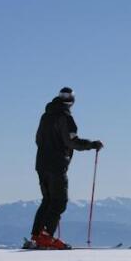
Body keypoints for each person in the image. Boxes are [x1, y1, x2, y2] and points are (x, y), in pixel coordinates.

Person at [27, 87, 103, 249]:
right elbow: (72, 142)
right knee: (59, 201)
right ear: (72, 102)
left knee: (47, 200)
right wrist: (92, 145)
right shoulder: (66, 117)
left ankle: (36, 235)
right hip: (57, 164)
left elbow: (38, 139)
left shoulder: (45, 116)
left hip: (41, 163)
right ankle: (46, 237)